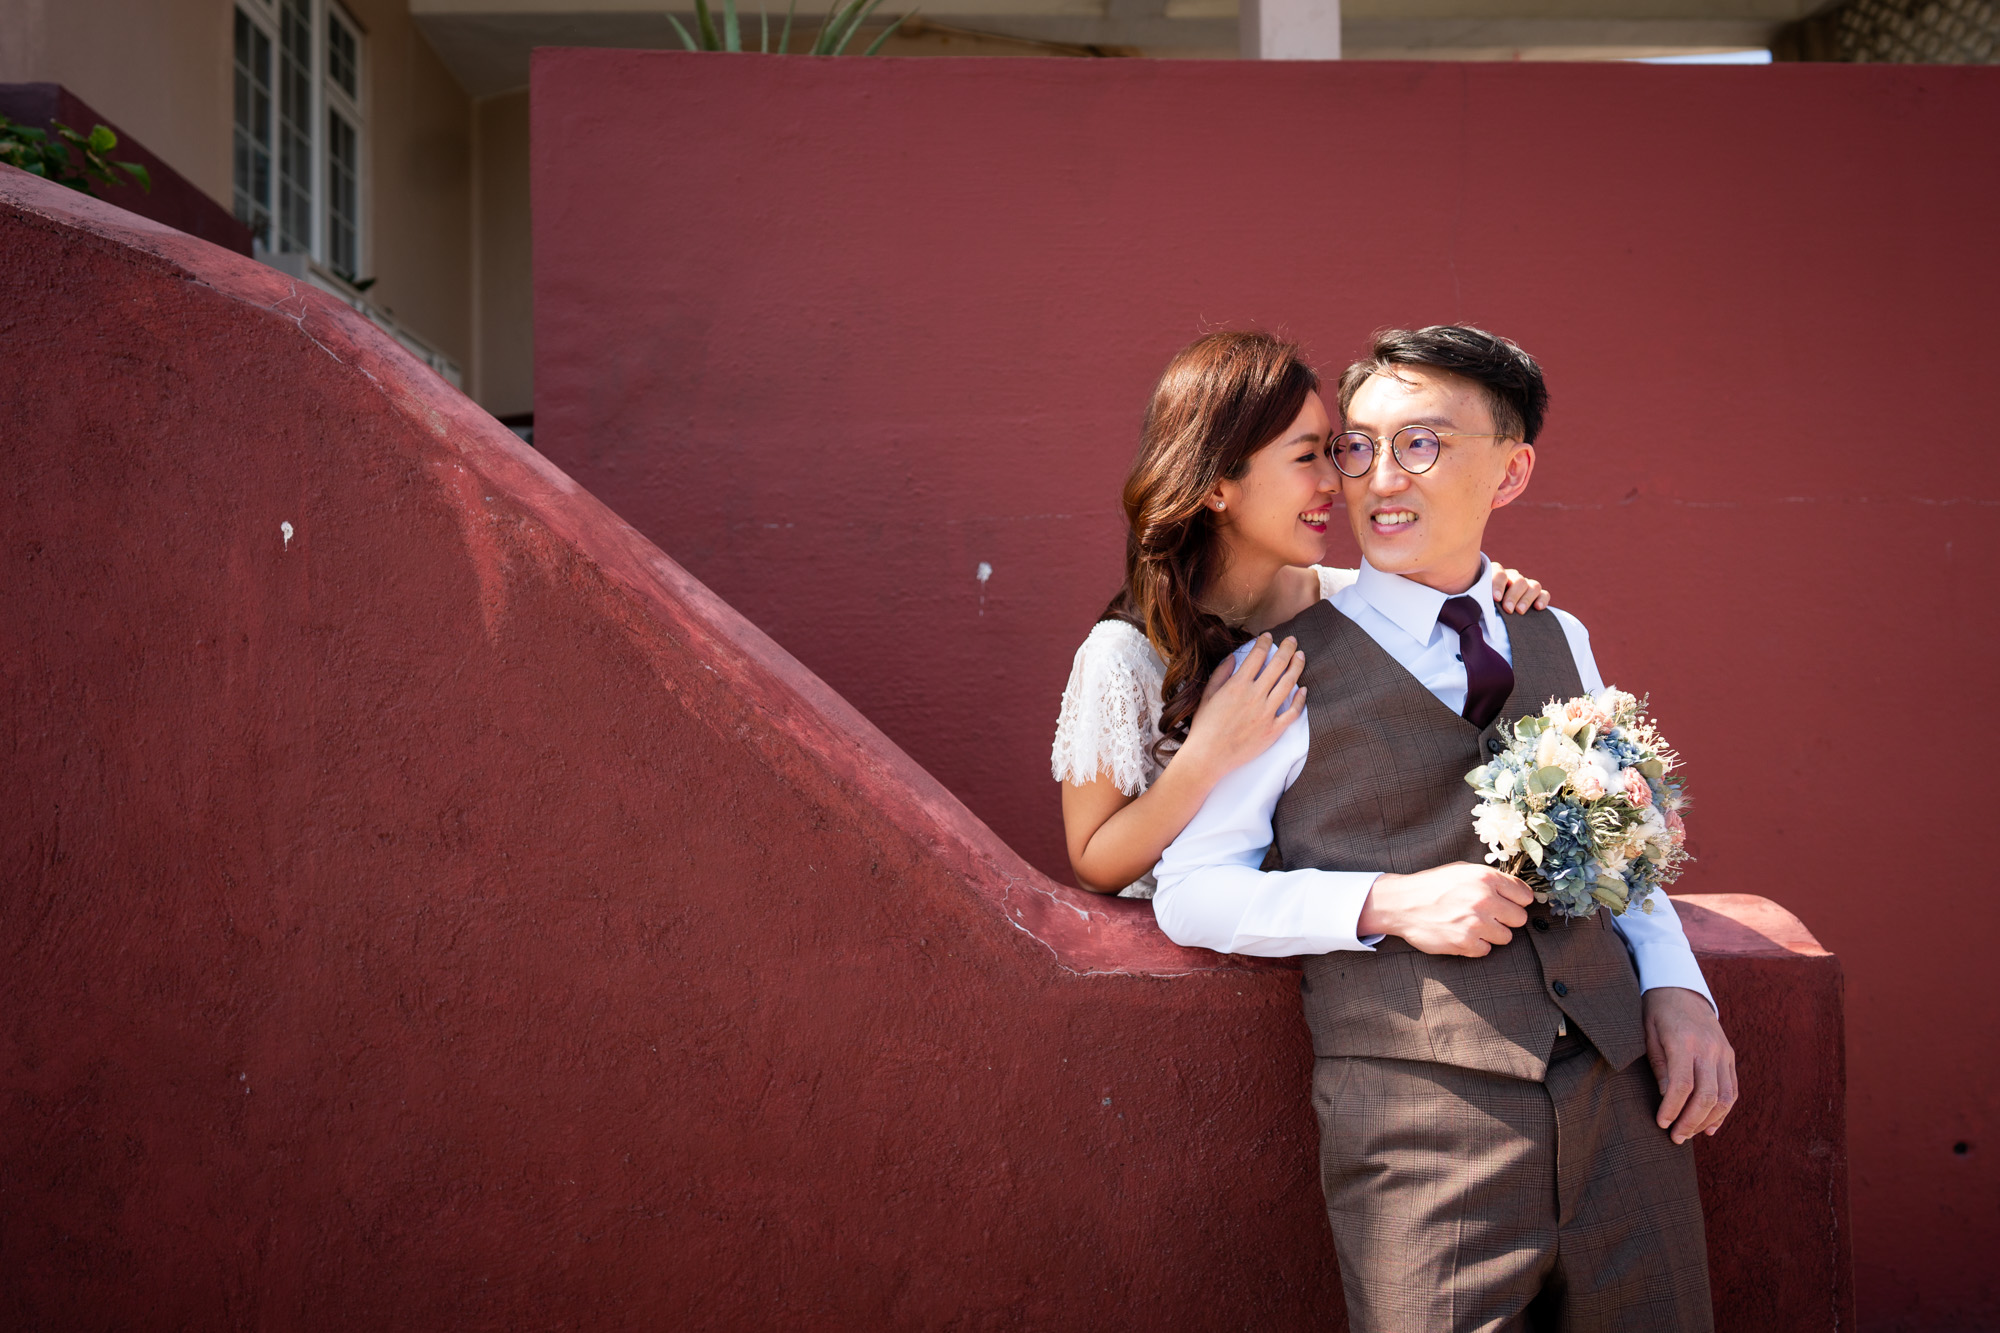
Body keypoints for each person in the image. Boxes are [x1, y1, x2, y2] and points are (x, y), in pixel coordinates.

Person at [1151, 326, 1736, 1332]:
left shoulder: (1558, 634)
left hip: (1623, 1102)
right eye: (1358, 445)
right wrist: (1387, 901)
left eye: (1419, 443)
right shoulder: (1276, 670)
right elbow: (1189, 890)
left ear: (1510, 472)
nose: (1379, 479)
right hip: (1420, 1124)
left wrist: (1677, 988)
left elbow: (1622, 842)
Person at [1053, 330, 1550, 897]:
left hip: (1353, 937)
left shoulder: (1346, 602)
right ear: (1216, 487)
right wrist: (1208, 754)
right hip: (1199, 932)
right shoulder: (1124, 654)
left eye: (1333, 451)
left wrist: (1480, 592)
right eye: (1305, 456)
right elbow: (1092, 862)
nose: (1335, 481)